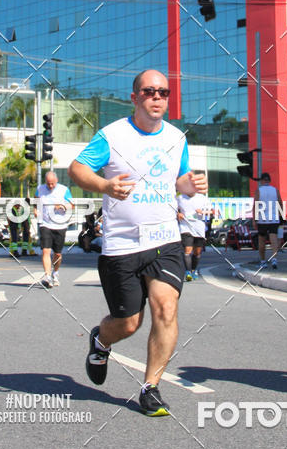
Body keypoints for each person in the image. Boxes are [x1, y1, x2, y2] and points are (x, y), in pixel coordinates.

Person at [68, 69, 207, 417]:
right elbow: (76, 169)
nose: (157, 97)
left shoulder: (177, 137)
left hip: (166, 240)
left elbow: (179, 180)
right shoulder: (112, 135)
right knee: (128, 323)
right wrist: (105, 185)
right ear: (135, 97)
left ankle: (151, 388)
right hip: (122, 245)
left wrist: (189, 186)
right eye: (149, 91)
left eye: (163, 92)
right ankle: (101, 340)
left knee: (166, 308)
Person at [36, 170, 73, 288]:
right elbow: (36, 200)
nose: (50, 186)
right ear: (45, 182)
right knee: (45, 251)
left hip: (60, 225)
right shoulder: (40, 189)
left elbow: (72, 205)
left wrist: (62, 206)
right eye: (48, 183)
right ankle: (47, 277)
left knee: (57, 254)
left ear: (56, 180)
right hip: (45, 224)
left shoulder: (64, 190)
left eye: (52, 183)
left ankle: (55, 273)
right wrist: (36, 210)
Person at [253, 172, 282, 270]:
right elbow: (280, 203)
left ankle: (263, 261)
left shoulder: (259, 191)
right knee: (274, 240)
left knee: (262, 241)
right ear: (269, 180)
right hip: (274, 219)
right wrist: (280, 215)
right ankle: (274, 259)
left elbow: (256, 205)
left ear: (262, 180)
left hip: (262, 220)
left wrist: (254, 220)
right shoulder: (275, 190)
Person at [177, 187, 208, 280]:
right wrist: (178, 214)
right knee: (187, 250)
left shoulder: (202, 198)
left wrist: (203, 212)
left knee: (197, 252)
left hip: (199, 228)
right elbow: (173, 209)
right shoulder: (180, 198)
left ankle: (193, 270)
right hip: (185, 227)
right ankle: (188, 272)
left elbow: (213, 212)